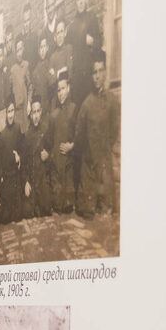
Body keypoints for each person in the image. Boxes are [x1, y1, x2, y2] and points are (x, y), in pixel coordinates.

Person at [75, 54, 117, 218]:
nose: (97, 76)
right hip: (89, 165)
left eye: (100, 71)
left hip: (104, 162)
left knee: (107, 208)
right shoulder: (86, 104)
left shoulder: (112, 101)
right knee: (87, 210)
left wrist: (105, 150)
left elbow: (114, 131)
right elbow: (79, 137)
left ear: (105, 72)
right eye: (94, 72)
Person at [65, 0, 102, 106]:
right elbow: (68, 52)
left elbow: (100, 45)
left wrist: (92, 42)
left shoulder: (92, 18)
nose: (80, 1)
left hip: (89, 78)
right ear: (75, 1)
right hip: (76, 80)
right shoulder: (72, 26)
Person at [50, 74, 79, 214]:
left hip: (69, 163)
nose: (61, 93)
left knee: (67, 206)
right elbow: (49, 140)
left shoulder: (74, 109)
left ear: (68, 88)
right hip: (57, 165)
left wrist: (72, 146)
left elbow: (80, 135)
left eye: (63, 89)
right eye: (58, 90)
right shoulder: (54, 114)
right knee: (57, 206)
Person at [24, 95, 54, 218]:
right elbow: (24, 162)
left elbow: (53, 152)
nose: (35, 116)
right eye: (33, 112)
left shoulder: (46, 130)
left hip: (43, 179)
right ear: (30, 115)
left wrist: (48, 156)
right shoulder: (27, 134)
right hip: (32, 179)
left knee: (46, 209)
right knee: (27, 212)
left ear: (41, 112)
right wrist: (26, 181)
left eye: (38, 111)